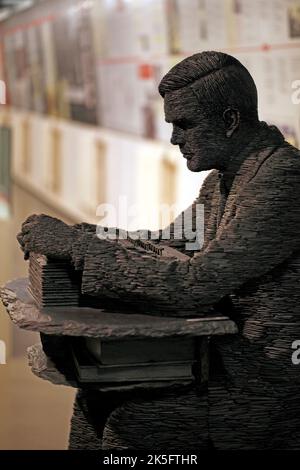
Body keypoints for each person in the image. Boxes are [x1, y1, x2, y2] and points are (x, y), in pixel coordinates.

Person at [17, 51, 300, 449]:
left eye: (184, 125)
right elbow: (168, 242)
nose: (173, 139)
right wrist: (87, 234)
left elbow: (194, 283)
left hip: (256, 386)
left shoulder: (281, 181)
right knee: (93, 401)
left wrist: (78, 246)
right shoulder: (229, 177)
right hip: (217, 364)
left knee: (127, 426)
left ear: (230, 121)